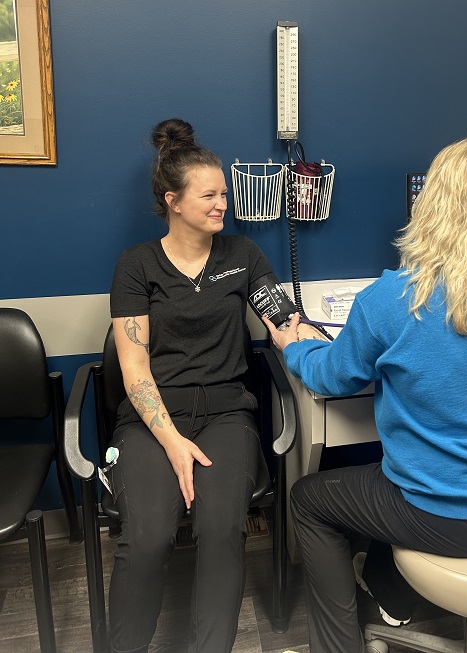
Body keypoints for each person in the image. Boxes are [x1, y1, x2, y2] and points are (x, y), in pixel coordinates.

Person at [264, 136, 467, 653]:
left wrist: (294, 348)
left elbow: (336, 377)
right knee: (392, 479)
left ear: (435, 206)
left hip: (448, 515)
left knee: (309, 500)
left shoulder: (394, 299)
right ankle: (392, 600)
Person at [108, 118, 323, 653]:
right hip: (155, 417)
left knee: (223, 532)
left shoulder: (243, 256)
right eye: (210, 195)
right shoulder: (137, 266)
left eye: (224, 193)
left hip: (228, 414)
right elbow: (135, 372)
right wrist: (174, 442)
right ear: (173, 201)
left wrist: (311, 339)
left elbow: (281, 321)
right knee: (148, 537)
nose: (223, 204)